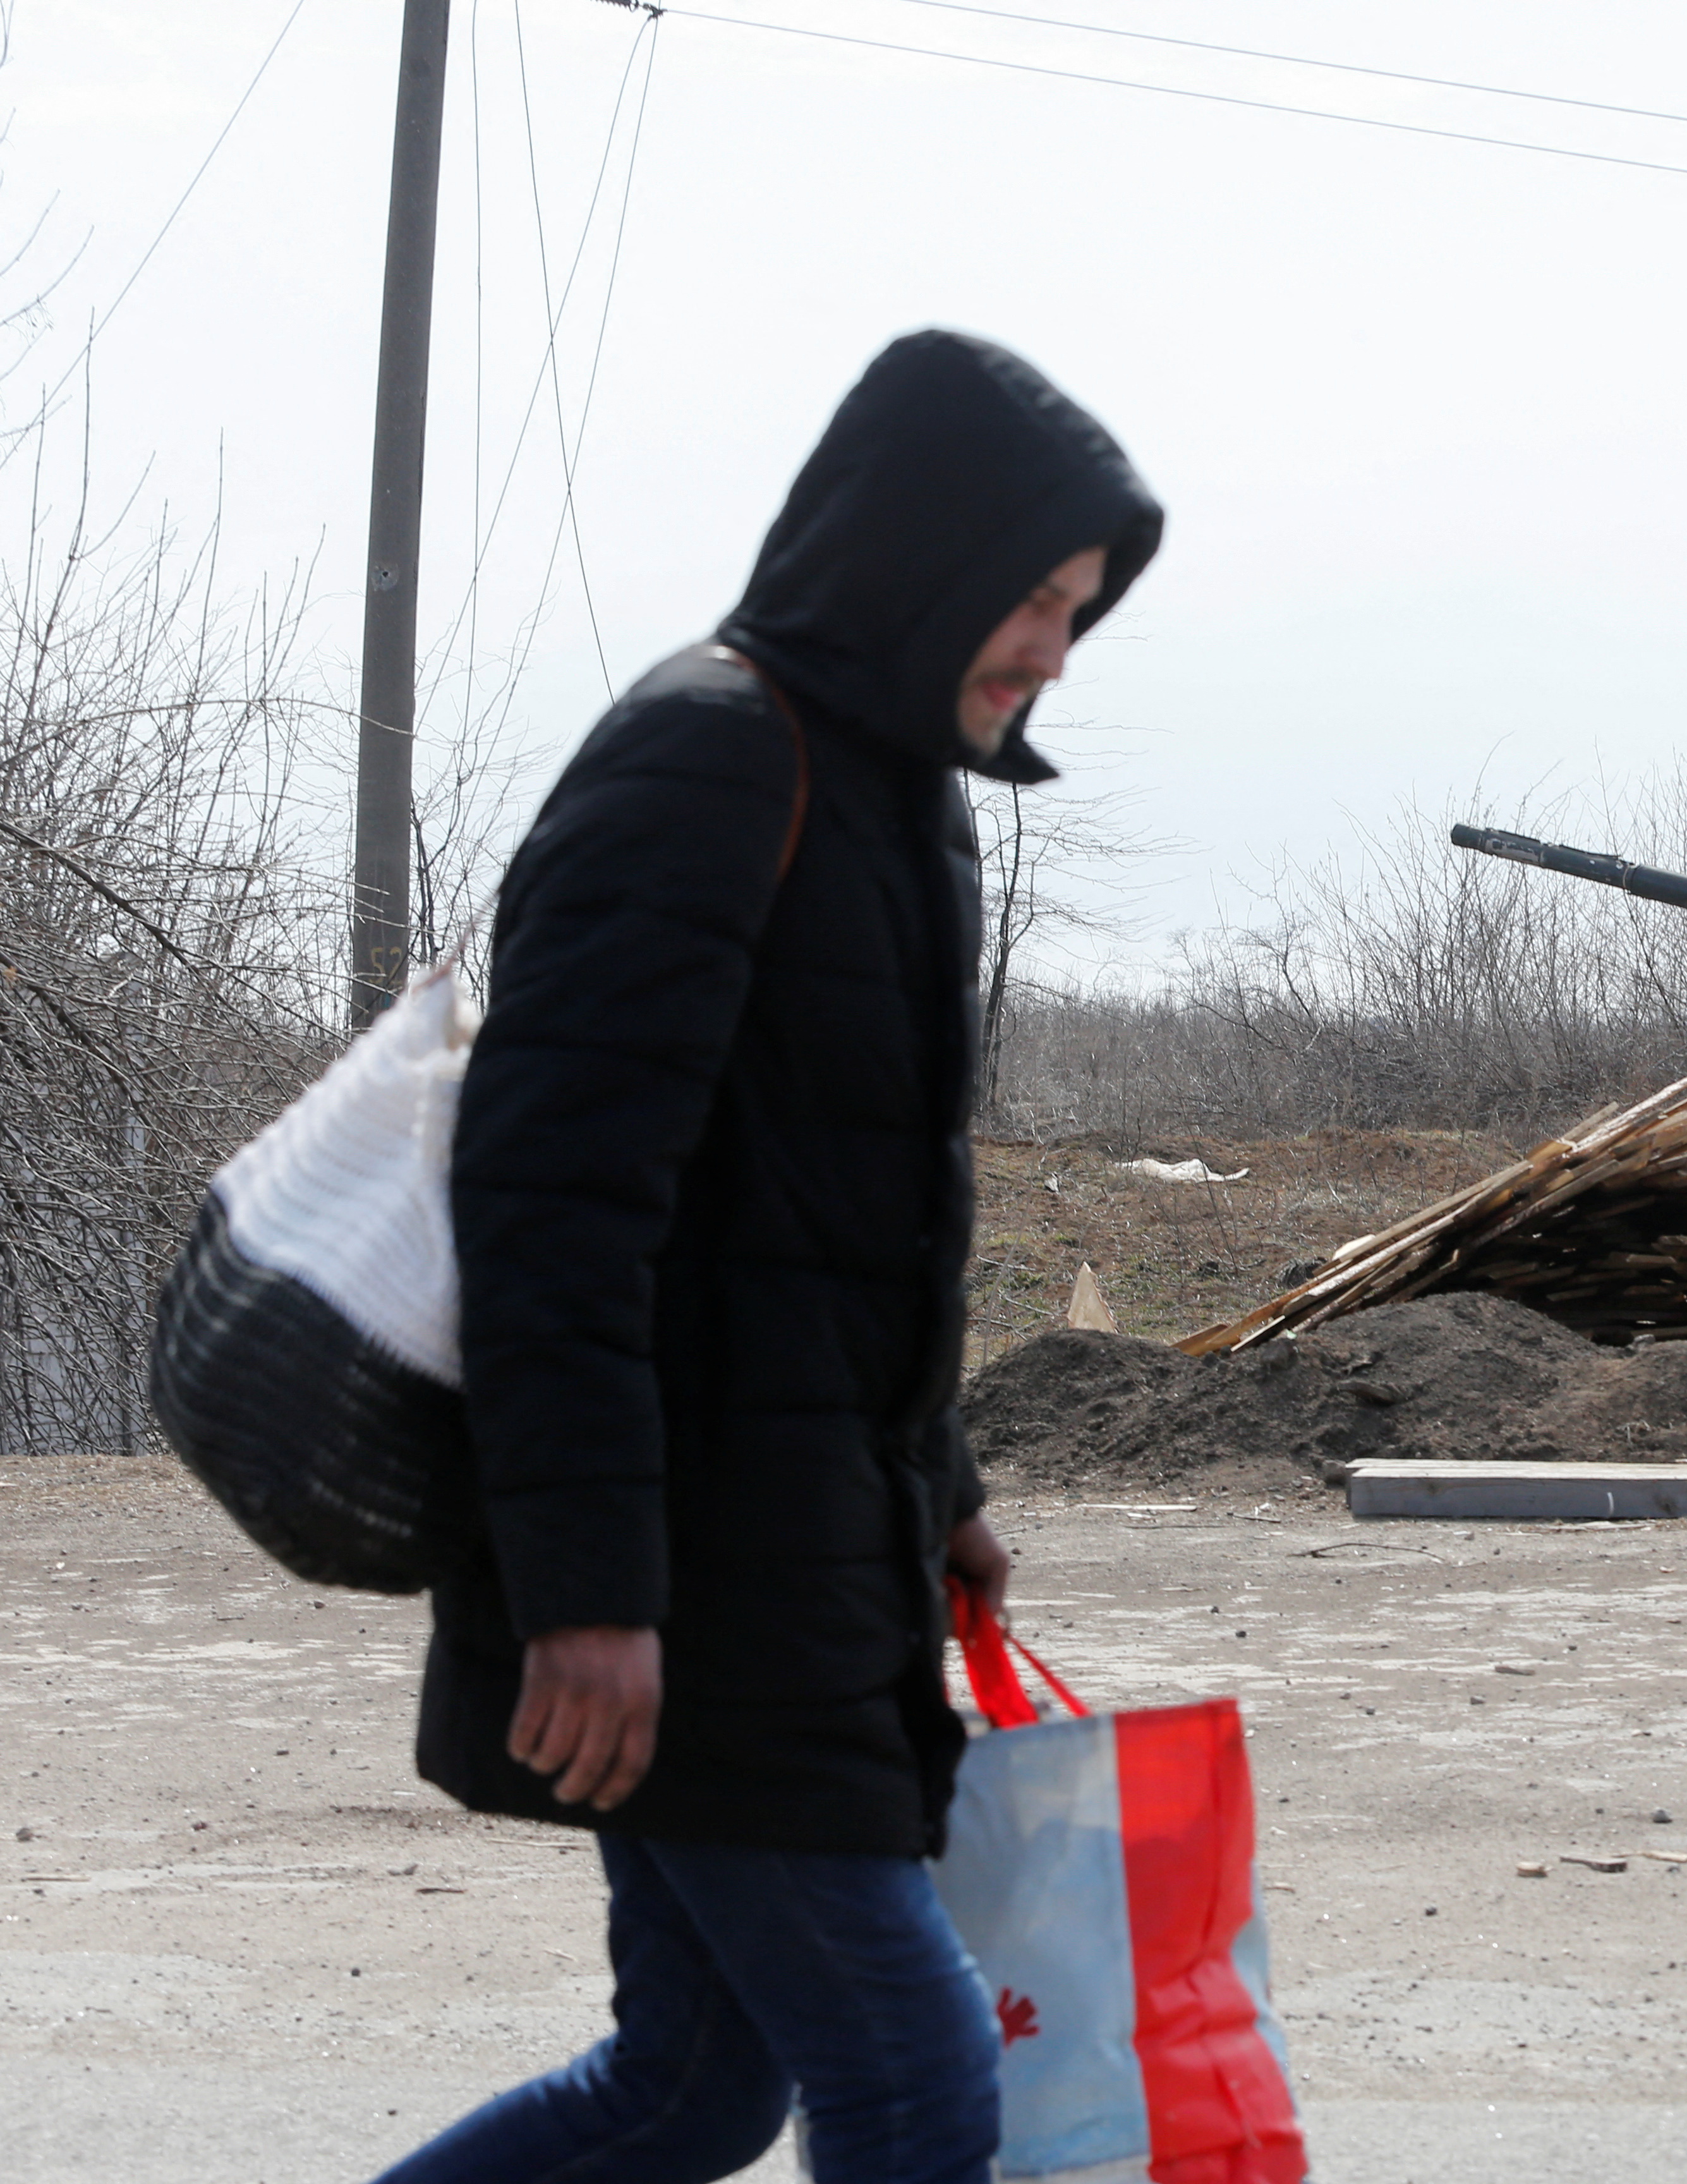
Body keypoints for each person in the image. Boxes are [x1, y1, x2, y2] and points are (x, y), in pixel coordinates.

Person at [384, 330, 1162, 2184]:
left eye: (1078, 614)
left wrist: (938, 1487)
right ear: (920, 555)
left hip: (801, 1560)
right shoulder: (708, 765)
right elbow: (553, 1207)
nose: (1054, 651)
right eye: (1033, 599)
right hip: (700, 1592)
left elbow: (834, 1226)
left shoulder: (886, 787)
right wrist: (586, 1592)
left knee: (693, 2087)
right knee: (918, 2088)